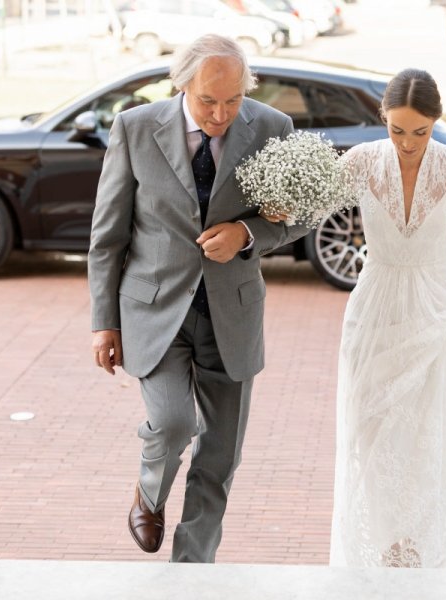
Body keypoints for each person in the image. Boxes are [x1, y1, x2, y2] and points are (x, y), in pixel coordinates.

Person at [88, 34, 308, 562]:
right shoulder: (135, 128)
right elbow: (107, 235)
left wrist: (249, 234)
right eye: (209, 100)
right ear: (182, 84)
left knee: (220, 457)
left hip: (231, 314)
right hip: (154, 311)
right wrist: (103, 322)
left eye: (232, 100)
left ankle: (193, 570)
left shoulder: (273, 128)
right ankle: (149, 490)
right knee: (173, 423)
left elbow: (301, 214)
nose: (221, 113)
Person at [330, 68, 446, 568]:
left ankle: (416, 550)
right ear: (383, 119)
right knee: (369, 432)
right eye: (397, 130)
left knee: (424, 440)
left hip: (433, 311)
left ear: (435, 123)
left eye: (419, 132)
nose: (407, 142)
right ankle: (382, 545)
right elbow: (309, 213)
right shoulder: (358, 162)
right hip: (374, 307)